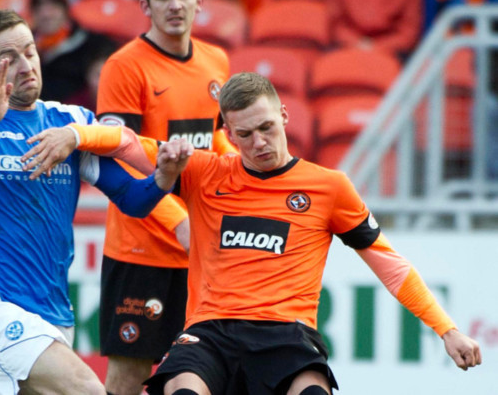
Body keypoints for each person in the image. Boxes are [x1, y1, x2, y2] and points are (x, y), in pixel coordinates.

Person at [27, 72, 483, 395]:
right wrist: (74, 134)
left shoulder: (329, 187)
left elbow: (388, 263)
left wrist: (447, 330)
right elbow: (126, 142)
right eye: (245, 134)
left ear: (284, 115)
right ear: (227, 131)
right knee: (181, 389)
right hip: (210, 333)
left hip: (287, 334)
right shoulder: (204, 171)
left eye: (267, 127)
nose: (259, 142)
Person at [0, 9, 191, 395]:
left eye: (31, 51)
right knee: (89, 390)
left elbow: (131, 199)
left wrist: (164, 177)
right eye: (11, 59)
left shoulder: (71, 122)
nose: (26, 65)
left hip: (56, 315)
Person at [94, 0, 236, 392]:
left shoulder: (216, 61)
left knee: (201, 370)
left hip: (198, 252)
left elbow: (214, 137)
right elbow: (119, 157)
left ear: (199, 1)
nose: (175, 4)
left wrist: (238, 174)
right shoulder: (124, 66)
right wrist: (180, 221)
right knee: (129, 374)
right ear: (145, 4)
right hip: (141, 250)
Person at [31, 0, 118, 104]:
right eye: (38, 7)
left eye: (53, 6)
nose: (46, 14)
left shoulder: (94, 44)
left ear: (66, 10)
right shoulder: (24, 46)